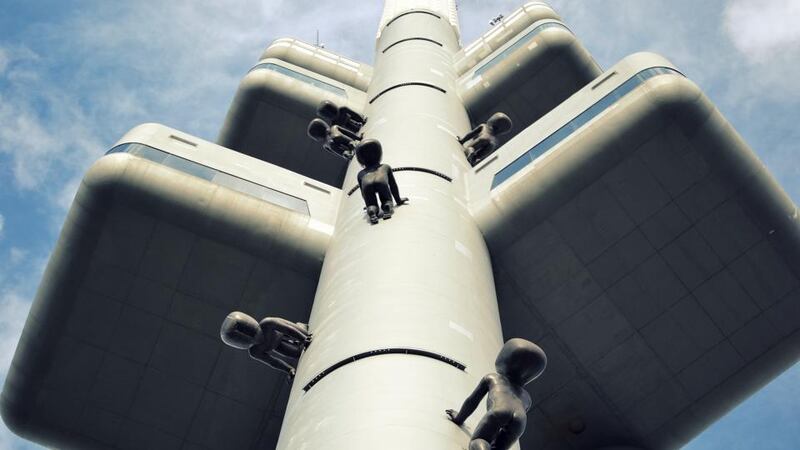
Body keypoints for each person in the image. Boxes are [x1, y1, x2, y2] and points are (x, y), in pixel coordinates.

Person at [446, 338, 546, 450]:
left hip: (499, 411)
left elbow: (472, 401)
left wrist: (458, 418)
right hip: (520, 421)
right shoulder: (527, 398)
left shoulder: (492, 378)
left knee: (479, 441)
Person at [220, 311, 312, 379]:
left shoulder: (267, 324)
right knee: (297, 354)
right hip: (276, 345)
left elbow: (288, 329)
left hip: (282, 332)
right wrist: (289, 369)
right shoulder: (255, 351)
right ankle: (301, 336)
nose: (257, 339)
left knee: (304, 331)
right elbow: (273, 362)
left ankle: (300, 325)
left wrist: (303, 338)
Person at [355, 139, 408, 224]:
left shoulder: (360, 174)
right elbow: (393, 186)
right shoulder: (385, 167)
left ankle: (372, 211)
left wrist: (368, 205)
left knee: (372, 204)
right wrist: (398, 200)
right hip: (381, 182)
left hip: (367, 184)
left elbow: (363, 193)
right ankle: (387, 207)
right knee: (386, 199)